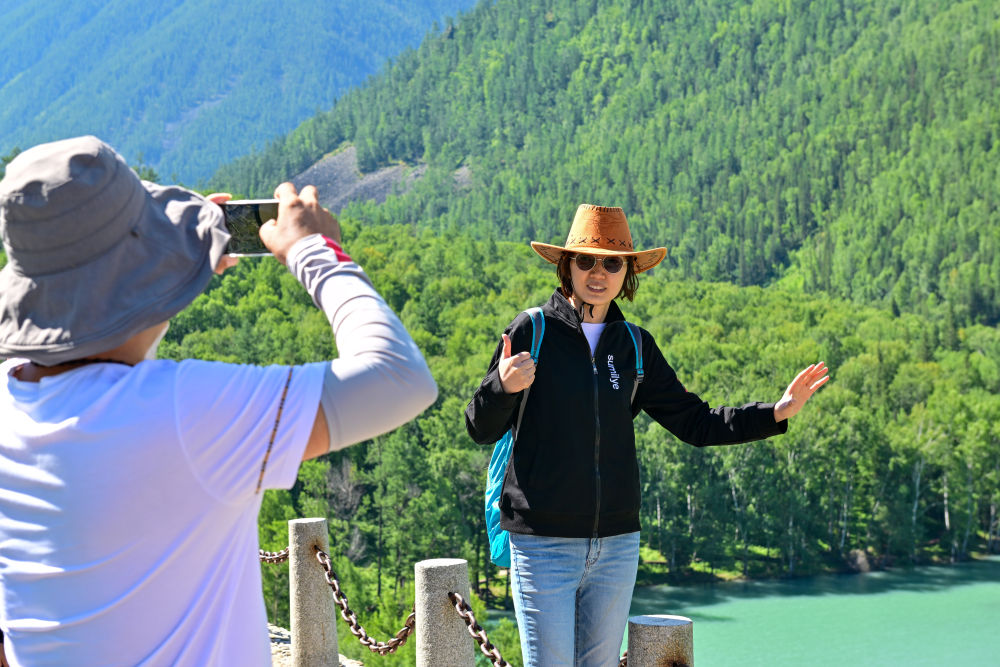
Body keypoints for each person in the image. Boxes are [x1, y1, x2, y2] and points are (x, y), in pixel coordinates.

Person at [0, 136, 438, 666]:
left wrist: (162, 271)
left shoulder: (12, 402)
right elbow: (400, 377)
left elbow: (96, 351)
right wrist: (315, 251)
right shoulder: (187, 416)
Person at [465, 204, 829, 667]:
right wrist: (501, 387)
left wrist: (776, 412)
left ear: (628, 272)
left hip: (616, 546)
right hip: (543, 545)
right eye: (586, 260)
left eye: (613, 263)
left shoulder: (635, 345)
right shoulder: (531, 331)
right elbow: (479, 427)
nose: (599, 273)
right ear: (567, 266)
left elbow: (697, 422)